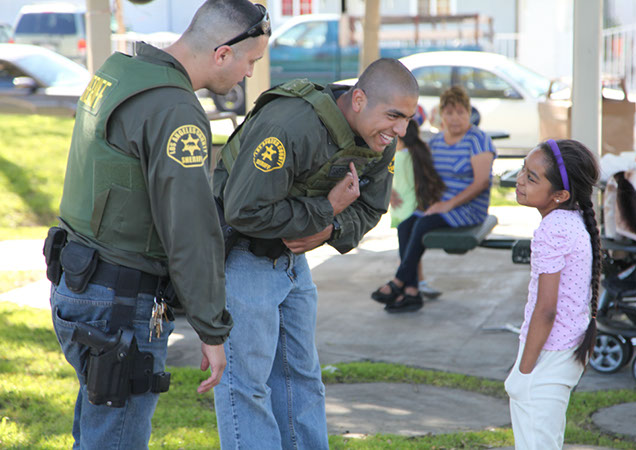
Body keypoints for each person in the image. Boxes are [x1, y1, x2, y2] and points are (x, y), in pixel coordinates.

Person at [46, 1, 270, 448]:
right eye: (251, 62)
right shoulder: (177, 111)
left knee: (96, 435)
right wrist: (211, 329)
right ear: (223, 54)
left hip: (77, 281)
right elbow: (190, 229)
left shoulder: (121, 71)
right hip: (120, 302)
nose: (249, 74)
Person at [212, 58, 419, 449]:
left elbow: (370, 207)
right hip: (243, 257)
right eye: (394, 115)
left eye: (407, 119)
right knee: (247, 386)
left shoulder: (379, 139)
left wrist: (329, 228)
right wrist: (325, 211)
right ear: (358, 99)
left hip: (292, 263)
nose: (400, 130)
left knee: (302, 380)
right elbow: (243, 210)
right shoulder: (291, 123)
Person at [504, 139, 601, 449]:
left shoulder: (553, 229)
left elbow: (546, 310)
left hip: (547, 357)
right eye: (523, 170)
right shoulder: (571, 220)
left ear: (560, 195)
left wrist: (523, 372)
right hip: (564, 351)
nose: (520, 180)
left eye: (532, 178)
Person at [371, 85, 496, 312]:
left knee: (421, 225)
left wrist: (447, 204)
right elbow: (419, 171)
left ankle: (400, 281)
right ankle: (411, 292)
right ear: (441, 115)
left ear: (469, 113)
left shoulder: (478, 140)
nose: (455, 118)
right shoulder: (437, 142)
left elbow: (482, 182)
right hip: (438, 205)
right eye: (449, 113)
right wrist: (396, 193)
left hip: (468, 208)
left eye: (461, 112)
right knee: (406, 223)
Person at [389, 117, 446, 299]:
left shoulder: (398, 157)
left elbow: (389, 182)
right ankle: (418, 283)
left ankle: (407, 288)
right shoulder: (417, 153)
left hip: (401, 212)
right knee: (411, 252)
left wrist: (389, 193)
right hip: (415, 208)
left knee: (405, 253)